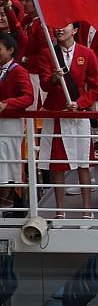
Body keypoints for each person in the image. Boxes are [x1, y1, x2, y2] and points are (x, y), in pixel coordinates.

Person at [33, 21, 98, 217]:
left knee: (83, 162)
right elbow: (45, 85)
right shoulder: (48, 54)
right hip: (57, 114)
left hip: (78, 115)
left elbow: (95, 86)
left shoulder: (87, 54)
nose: (60, 29)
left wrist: (80, 103)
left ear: (75, 30)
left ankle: (87, 210)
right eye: (57, 26)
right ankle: (60, 210)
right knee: (57, 165)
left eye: (65, 26)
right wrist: (54, 77)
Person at [0, 33, 33, 212]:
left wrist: (7, 104)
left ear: (11, 50)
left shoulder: (18, 70)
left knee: (8, 162)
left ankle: (8, 201)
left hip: (11, 123)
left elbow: (28, 97)